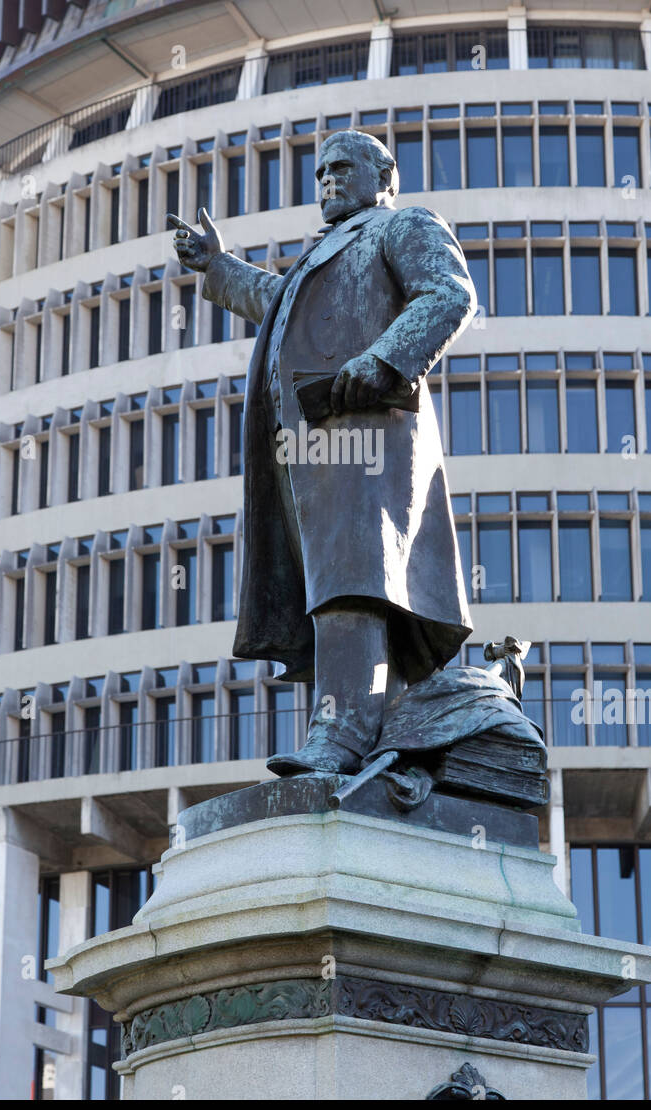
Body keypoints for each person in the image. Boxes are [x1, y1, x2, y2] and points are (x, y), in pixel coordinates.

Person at [168, 129, 476, 776]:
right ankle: (371, 721)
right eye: (321, 173)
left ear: (383, 174)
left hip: (367, 431)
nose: (328, 180)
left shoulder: (403, 225)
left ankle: (341, 734)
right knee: (334, 582)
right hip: (309, 443)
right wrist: (216, 267)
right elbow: (276, 302)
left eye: (343, 168)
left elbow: (448, 294)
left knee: (353, 579)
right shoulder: (327, 252)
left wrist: (384, 360)